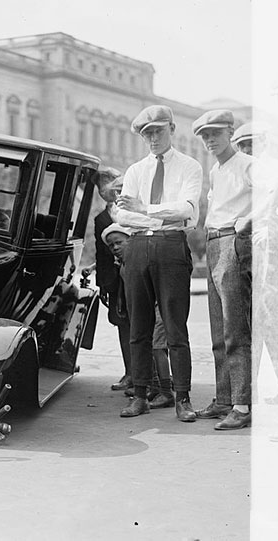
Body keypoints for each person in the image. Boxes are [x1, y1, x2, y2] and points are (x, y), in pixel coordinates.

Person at [112, 105, 202, 422]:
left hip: (171, 245)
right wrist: (149, 211)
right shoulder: (136, 170)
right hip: (138, 246)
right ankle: (140, 396)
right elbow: (122, 214)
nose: (152, 138)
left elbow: (187, 210)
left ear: (172, 129)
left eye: (158, 131)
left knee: (175, 326)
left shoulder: (190, 167)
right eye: (147, 133)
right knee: (139, 326)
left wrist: (145, 207)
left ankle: (183, 398)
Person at [192, 110, 253, 430]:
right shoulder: (216, 170)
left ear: (230, 132)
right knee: (218, 329)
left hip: (233, 240)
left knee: (235, 329)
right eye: (204, 136)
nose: (210, 140)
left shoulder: (247, 163)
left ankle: (242, 405)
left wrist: (249, 219)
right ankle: (225, 398)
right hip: (215, 241)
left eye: (215, 133)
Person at [101, 223, 174, 409]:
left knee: (158, 348)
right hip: (146, 310)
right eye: (111, 246)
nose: (115, 248)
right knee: (148, 347)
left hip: (158, 309)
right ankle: (155, 386)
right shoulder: (124, 264)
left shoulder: (142, 259)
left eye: (119, 242)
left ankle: (166, 392)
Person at [233, 122, 278, 404]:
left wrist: (270, 230)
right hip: (249, 253)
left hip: (271, 256)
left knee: (271, 323)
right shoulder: (243, 173)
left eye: (252, 143)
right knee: (251, 327)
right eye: (243, 145)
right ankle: (252, 394)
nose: (248, 149)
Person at [84, 166, 132, 392]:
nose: (107, 191)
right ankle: (130, 373)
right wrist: (103, 283)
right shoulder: (100, 218)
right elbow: (101, 253)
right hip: (114, 281)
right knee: (122, 324)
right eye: (101, 186)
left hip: (135, 276)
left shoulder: (134, 211)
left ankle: (152, 376)